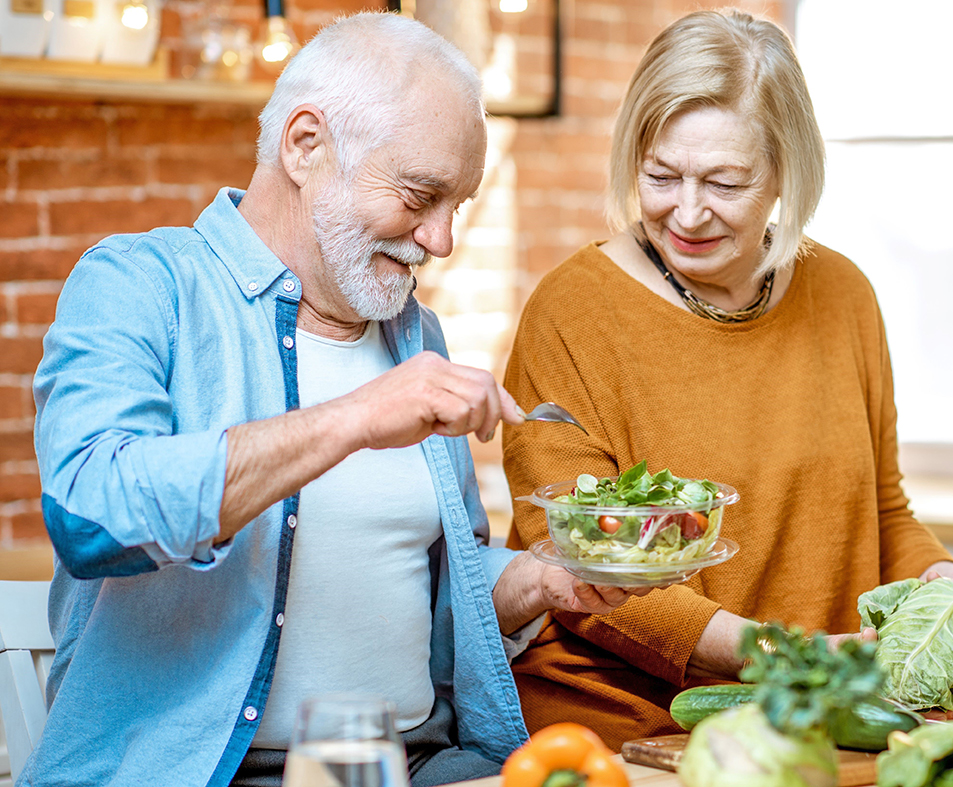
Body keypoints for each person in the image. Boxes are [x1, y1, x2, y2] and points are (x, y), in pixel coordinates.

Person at [26, 13, 644, 787]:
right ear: (305, 145)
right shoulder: (141, 285)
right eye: (422, 194)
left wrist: (543, 581)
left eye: (460, 204)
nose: (442, 238)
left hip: (422, 766)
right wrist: (353, 419)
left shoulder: (415, 336)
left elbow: (417, 590)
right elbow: (91, 513)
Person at [500, 10, 953, 748]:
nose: (686, 212)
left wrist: (952, 593)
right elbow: (575, 565)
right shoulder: (571, 311)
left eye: (725, 181)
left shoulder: (844, 294)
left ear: (786, 171)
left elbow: (883, 509)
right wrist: (784, 654)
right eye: (660, 175)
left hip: (817, 720)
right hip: (628, 731)